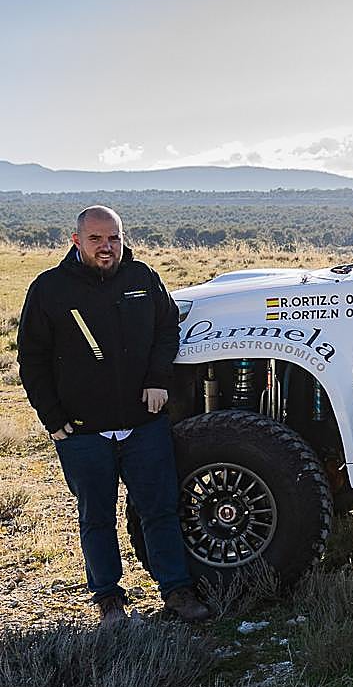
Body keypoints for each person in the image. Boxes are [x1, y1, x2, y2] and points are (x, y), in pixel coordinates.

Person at [17, 205, 211, 627]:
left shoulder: (142, 278)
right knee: (96, 516)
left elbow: (167, 329)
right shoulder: (49, 289)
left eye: (114, 238)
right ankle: (109, 602)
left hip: (143, 426)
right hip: (83, 433)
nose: (107, 247)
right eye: (96, 239)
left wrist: (159, 378)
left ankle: (177, 592)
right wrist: (53, 418)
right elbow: (31, 360)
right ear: (76, 241)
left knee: (159, 510)